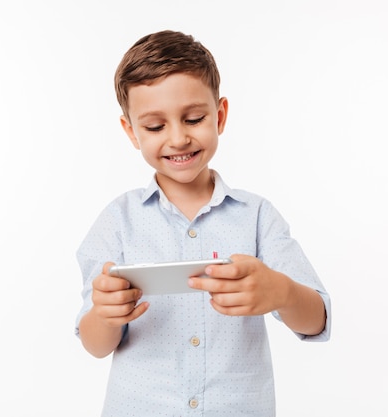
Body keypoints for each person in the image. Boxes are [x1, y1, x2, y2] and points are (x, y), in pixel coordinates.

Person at [75, 29, 331, 416]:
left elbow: (318, 321)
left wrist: (282, 292)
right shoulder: (117, 221)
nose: (178, 138)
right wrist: (105, 314)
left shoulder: (257, 216)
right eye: (155, 127)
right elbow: (95, 345)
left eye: (194, 118)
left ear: (220, 115)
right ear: (131, 132)